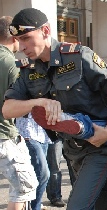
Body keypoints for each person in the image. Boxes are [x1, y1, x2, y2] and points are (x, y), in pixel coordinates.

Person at [2, 8, 107, 210]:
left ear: (45, 30)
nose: (21, 46)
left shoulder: (79, 56)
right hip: (71, 149)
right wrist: (37, 103)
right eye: (18, 40)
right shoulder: (27, 69)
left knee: (77, 205)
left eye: (26, 38)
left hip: (98, 144)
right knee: (103, 204)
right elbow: (7, 110)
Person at [0, 16, 38, 210]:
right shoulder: (9, 63)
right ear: (14, 37)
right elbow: (18, 101)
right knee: (25, 187)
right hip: (4, 134)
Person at [16, 114, 51, 210]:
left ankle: (31, 204)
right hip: (27, 133)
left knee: (36, 174)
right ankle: (34, 206)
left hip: (43, 134)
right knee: (44, 173)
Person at [46, 137, 67, 207]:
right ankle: (55, 197)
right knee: (54, 166)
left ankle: (78, 195)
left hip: (66, 133)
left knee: (75, 165)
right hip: (52, 134)